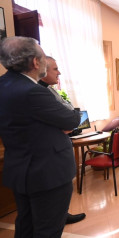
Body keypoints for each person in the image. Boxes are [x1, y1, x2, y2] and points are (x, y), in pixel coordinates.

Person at [0, 36, 81, 237]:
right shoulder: (33, 92)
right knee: (48, 229)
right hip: (47, 174)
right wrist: (62, 123)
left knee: (26, 225)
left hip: (20, 170)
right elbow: (71, 120)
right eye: (44, 57)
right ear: (36, 62)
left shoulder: (4, 85)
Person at [39, 56, 86, 224]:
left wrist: (71, 119)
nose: (59, 72)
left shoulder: (51, 90)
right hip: (51, 150)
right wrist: (70, 119)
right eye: (55, 69)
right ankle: (57, 218)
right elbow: (68, 118)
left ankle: (62, 214)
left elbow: (72, 113)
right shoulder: (38, 92)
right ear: (42, 70)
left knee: (63, 190)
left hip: (61, 141)